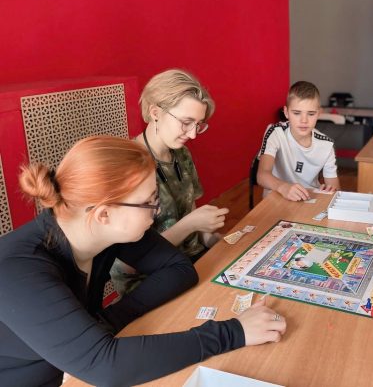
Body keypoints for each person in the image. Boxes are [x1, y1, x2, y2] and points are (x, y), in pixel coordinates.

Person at [0, 136, 286, 387]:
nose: (156, 211)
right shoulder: (18, 271)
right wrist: (233, 332)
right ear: (103, 214)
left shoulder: (101, 229)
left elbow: (180, 269)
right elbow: (107, 365)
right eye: (149, 202)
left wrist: (107, 321)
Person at [111, 69, 228, 294]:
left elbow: (190, 211)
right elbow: (126, 265)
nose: (193, 135)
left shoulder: (181, 154)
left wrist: (213, 240)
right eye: (186, 122)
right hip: (151, 281)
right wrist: (191, 224)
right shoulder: (127, 166)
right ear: (155, 112)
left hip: (190, 263)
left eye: (198, 124)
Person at [257, 81, 340, 201]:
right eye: (296, 113)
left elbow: (335, 189)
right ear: (286, 112)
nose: (304, 120)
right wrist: (283, 187)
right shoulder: (275, 132)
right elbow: (262, 175)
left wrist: (329, 191)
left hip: (309, 199)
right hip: (277, 196)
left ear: (319, 114)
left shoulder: (327, 145)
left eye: (311, 114)